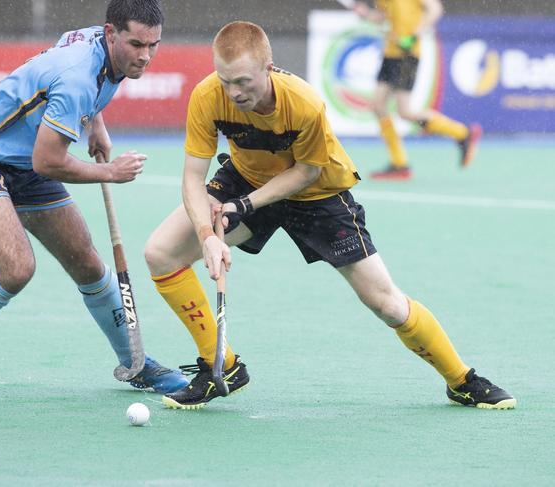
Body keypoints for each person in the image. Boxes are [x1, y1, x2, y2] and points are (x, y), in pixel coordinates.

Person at [143, 21, 515, 410]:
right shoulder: (208, 96)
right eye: (225, 80)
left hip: (316, 192)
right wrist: (207, 235)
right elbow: (191, 178)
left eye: (243, 82)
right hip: (246, 178)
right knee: (162, 253)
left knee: (386, 303)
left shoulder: (303, 102)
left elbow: (306, 172)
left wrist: (245, 205)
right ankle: (223, 367)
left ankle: (461, 380)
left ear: (268, 68)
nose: (234, 92)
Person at [0, 0, 188, 396]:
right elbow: (49, 161)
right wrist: (109, 172)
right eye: (137, 44)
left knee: (86, 263)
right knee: (15, 267)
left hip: (25, 161)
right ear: (111, 33)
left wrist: (95, 121)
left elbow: (77, 72)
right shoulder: (76, 79)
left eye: (153, 45)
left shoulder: (94, 44)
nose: (146, 56)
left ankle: (134, 363)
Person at [352, 0, 482, 180]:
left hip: (407, 53)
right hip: (390, 52)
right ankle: (399, 164)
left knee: (404, 112)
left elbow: (435, 9)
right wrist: (365, 14)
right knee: (377, 105)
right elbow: (384, 17)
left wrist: (416, 32)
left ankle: (462, 133)